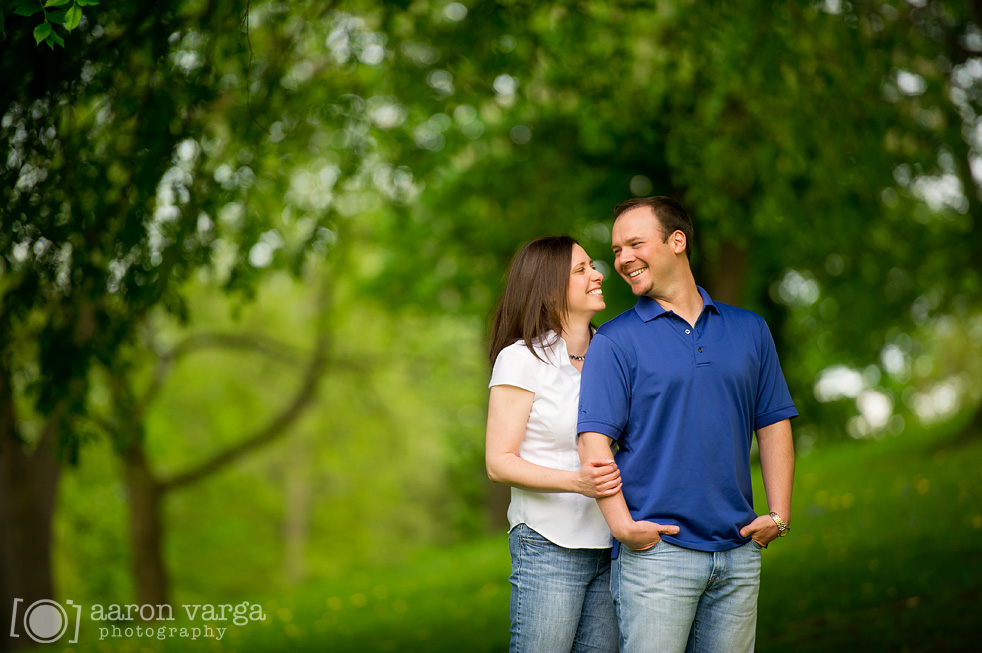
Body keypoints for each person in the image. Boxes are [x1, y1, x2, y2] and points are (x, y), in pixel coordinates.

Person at [577, 196, 798, 653]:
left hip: (738, 553)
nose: (622, 259)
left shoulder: (749, 329)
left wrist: (779, 514)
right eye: (616, 250)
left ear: (676, 241)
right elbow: (593, 442)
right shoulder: (615, 341)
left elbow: (773, 423)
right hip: (658, 557)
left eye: (634, 243)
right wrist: (623, 527)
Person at [486, 235, 623, 653]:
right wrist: (576, 482)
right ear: (549, 289)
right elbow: (498, 462)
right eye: (581, 270)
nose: (597, 274)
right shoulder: (522, 359)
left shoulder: (613, 352)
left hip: (612, 544)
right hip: (548, 543)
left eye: (591, 266)